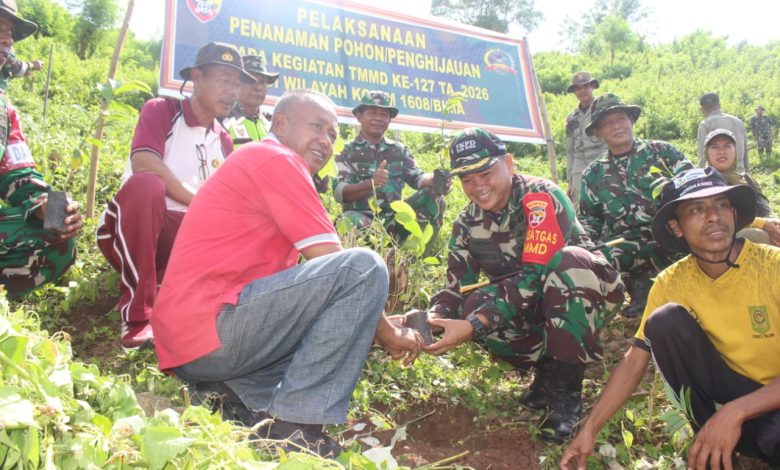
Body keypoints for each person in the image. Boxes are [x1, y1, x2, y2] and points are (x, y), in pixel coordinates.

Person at [151, 90, 422, 458]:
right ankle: (295, 425)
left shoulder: (259, 162)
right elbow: (337, 265)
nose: (325, 141)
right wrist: (388, 334)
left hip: (192, 344)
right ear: (280, 124)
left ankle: (240, 398)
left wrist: (374, 317)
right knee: (363, 267)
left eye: (332, 134)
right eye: (317, 127)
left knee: (329, 304)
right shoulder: (273, 158)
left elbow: (314, 295)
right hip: (212, 329)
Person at [561, 167, 780, 470]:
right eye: (697, 209)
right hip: (729, 407)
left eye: (721, 205)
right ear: (677, 228)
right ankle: (714, 452)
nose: (713, 216)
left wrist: (736, 411)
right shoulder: (671, 283)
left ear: (733, 213)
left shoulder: (772, 267)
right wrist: (589, 430)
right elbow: (634, 360)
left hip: (768, 402)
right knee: (664, 321)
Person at [420, 128, 625, 443]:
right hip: (534, 304)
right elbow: (454, 287)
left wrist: (475, 325)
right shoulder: (466, 222)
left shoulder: (540, 197)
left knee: (567, 263)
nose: (478, 187)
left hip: (589, 293)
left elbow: (536, 275)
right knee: (473, 303)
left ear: (510, 164)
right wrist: (430, 320)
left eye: (486, 173)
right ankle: (546, 372)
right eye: (467, 180)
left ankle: (565, 395)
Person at [97, 42, 254, 349]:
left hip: (181, 244)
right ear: (197, 77)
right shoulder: (162, 110)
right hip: (132, 231)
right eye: (224, 80)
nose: (232, 91)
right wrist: (197, 202)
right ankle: (137, 318)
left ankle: (183, 301)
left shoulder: (223, 139)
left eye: (237, 84)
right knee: (147, 186)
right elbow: (144, 163)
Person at [579, 93, 694, 318]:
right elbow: (588, 220)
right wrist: (581, 251)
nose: (616, 126)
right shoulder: (593, 174)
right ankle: (636, 289)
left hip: (673, 236)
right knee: (592, 260)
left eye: (621, 118)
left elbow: (695, 191)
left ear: (631, 120)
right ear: (599, 133)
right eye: (608, 123)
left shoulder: (664, 154)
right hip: (627, 246)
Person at [0, 0, 82, 299]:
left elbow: (16, 174)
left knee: (57, 236)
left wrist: (45, 205)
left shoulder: (3, 110)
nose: (7, 39)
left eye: (9, 32)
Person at [334, 90, 450, 239]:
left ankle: (417, 258)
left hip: (396, 220)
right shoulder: (346, 151)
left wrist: (436, 180)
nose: (378, 118)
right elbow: (339, 193)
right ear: (359, 116)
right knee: (348, 218)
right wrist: (371, 184)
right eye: (372, 113)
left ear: (389, 119)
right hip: (365, 223)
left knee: (433, 195)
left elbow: (418, 177)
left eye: (383, 114)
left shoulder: (398, 150)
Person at [703, 128, 780, 246]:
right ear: (706, 153)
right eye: (714, 147)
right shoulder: (705, 182)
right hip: (723, 234)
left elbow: (764, 207)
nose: (721, 152)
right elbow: (721, 219)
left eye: (727, 146)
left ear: (735, 150)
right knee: (758, 235)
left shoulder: (746, 178)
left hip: (761, 225)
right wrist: (762, 224)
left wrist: (775, 224)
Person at [564, 71, 607, 208]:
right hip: (579, 163)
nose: (582, 91)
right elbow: (570, 150)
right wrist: (570, 180)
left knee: (606, 199)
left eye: (585, 87)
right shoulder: (572, 118)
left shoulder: (604, 108)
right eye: (578, 88)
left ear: (593, 86)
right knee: (579, 204)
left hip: (603, 158)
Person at [223, 54, 279, 146]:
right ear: (237, 84)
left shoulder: (272, 124)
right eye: (251, 81)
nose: (258, 88)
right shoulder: (224, 121)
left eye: (263, 82)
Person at [697, 92, 749, 172]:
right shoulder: (738, 122)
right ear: (719, 105)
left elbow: (703, 155)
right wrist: (747, 175)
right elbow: (745, 153)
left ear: (702, 110)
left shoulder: (705, 124)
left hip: (717, 176)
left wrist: (702, 176)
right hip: (740, 175)